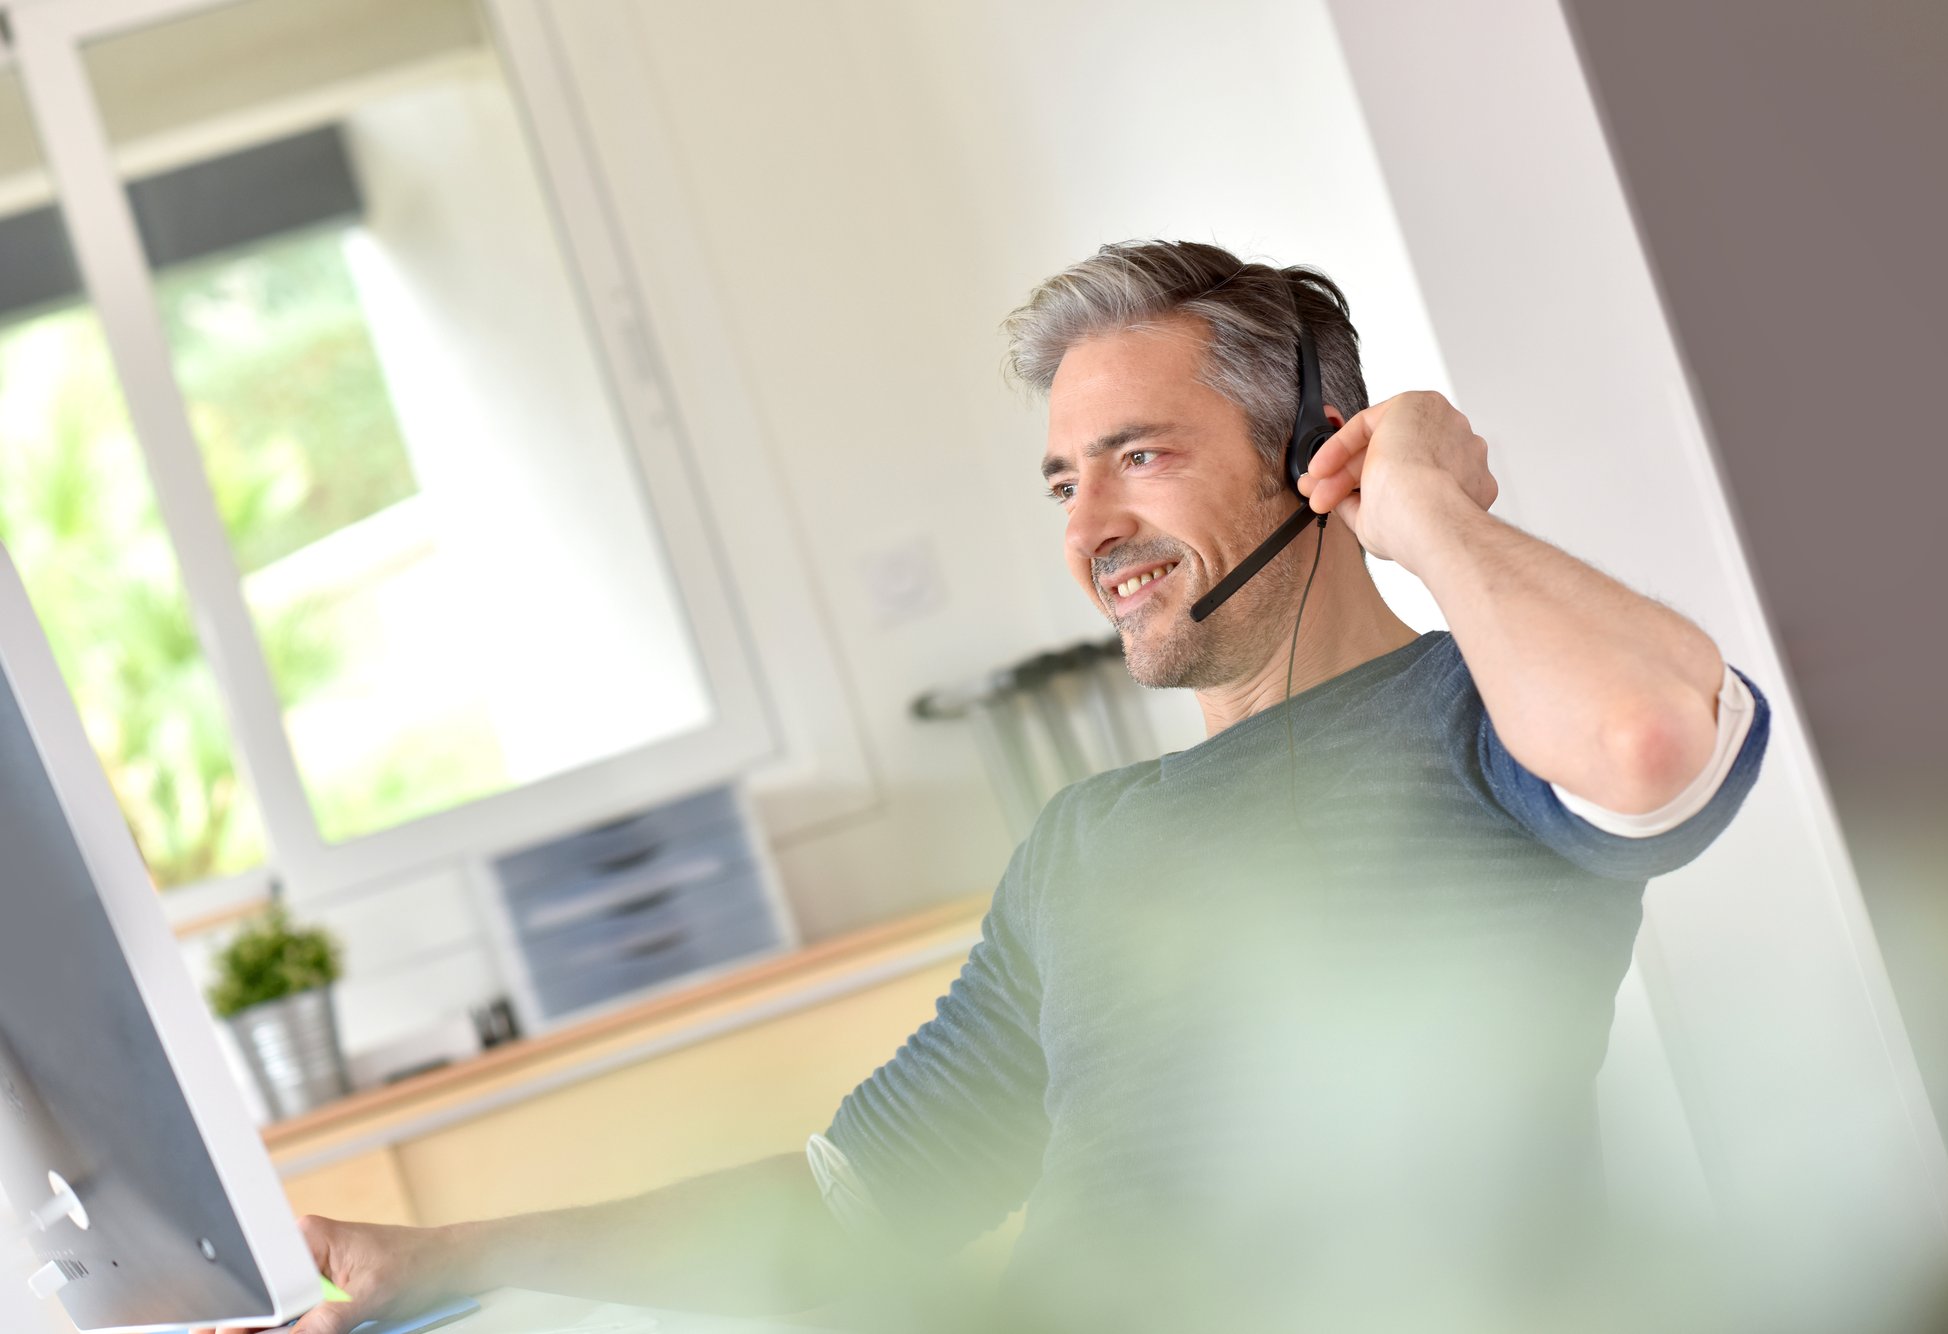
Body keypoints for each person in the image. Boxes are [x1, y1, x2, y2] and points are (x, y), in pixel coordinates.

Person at [202, 241, 1769, 1334]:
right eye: (1060, 480)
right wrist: (439, 1256)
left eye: (1137, 456)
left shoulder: (1476, 715)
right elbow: (849, 1204)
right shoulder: (1086, 843)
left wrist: (1424, 503)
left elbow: (1650, 744)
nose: (1089, 524)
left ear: (1314, 456)